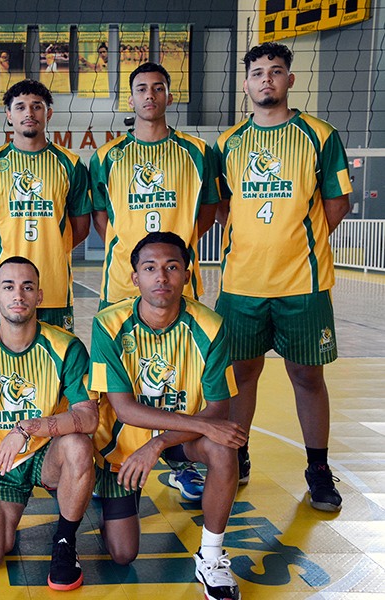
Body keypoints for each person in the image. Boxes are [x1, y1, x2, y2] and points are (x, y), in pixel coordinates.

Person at [214, 42, 352, 511]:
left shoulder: (320, 135)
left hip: (303, 286)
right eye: (257, 73)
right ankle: (239, 456)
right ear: (247, 84)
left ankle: (317, 469)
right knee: (239, 378)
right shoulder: (229, 143)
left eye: (275, 71)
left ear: (290, 80)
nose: (266, 79)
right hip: (241, 286)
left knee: (307, 377)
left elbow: (337, 204)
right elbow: (220, 206)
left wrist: (297, 241)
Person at [88, 232, 245, 600]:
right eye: (150, 268)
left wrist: (159, 443)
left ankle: (211, 555)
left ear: (187, 276)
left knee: (224, 449)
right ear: (135, 277)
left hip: (176, 441)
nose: (162, 277)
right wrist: (199, 424)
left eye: (172, 267)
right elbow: (124, 407)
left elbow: (218, 408)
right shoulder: (108, 324)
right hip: (122, 443)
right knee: (123, 554)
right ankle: (104, 483)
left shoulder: (211, 326)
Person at [90, 62, 218, 500]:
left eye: (158, 88)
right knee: (120, 384)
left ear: (168, 95)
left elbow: (208, 213)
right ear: (131, 98)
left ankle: (181, 462)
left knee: (184, 380)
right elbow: (101, 219)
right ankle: (114, 455)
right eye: (141, 89)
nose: (149, 95)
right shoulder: (107, 156)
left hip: (175, 283)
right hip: (123, 288)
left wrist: (171, 258)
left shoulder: (198, 152)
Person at [0, 256, 97, 591]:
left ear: (39, 296)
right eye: (9, 286)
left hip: (49, 456)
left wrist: (26, 429)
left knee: (78, 445)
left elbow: (88, 417)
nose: (19, 294)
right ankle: (3, 513)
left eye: (27, 287)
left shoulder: (67, 347)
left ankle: (64, 542)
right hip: (0, 464)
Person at [0, 79, 90, 333]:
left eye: (37, 106)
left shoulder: (71, 164)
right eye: (20, 107)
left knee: (56, 367)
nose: (29, 113)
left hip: (54, 286)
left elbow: (82, 227)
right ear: (9, 115)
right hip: (2, 289)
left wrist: (53, 251)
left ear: (49, 113)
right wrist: (1, 261)